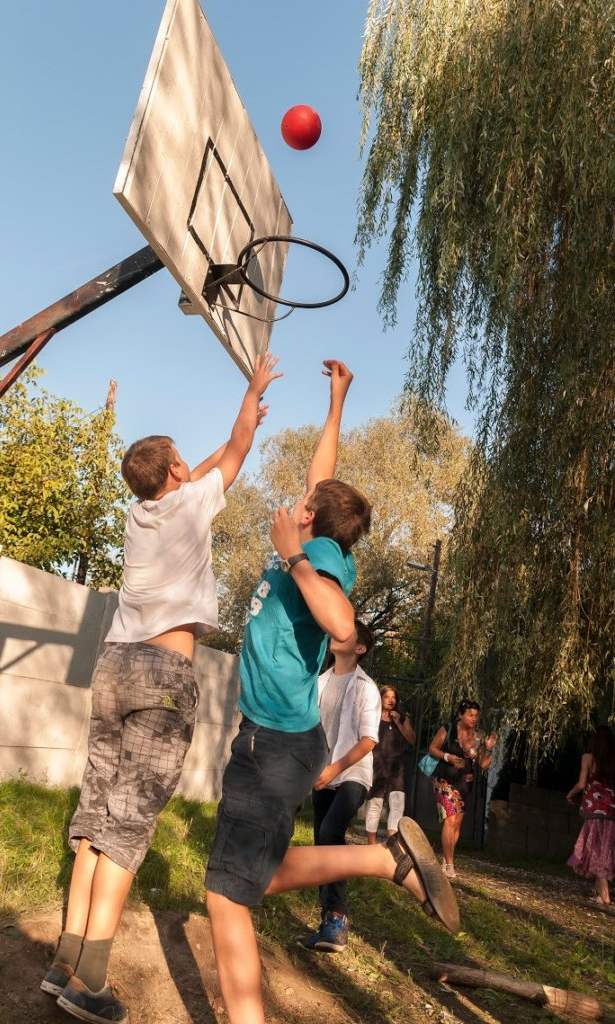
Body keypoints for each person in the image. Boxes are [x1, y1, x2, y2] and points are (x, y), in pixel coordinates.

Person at [204, 360, 460, 1024]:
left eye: (305, 504)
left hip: (273, 745)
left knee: (227, 894)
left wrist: (292, 554)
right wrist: (337, 402)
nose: (298, 501)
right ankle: (382, 861)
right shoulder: (324, 539)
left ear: (311, 518)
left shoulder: (315, 556)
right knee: (247, 878)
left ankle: (379, 863)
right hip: (276, 741)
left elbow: (344, 626)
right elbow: (323, 476)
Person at [41, 353, 283, 1024]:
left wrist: (191, 459)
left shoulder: (139, 514)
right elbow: (235, 448)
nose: (187, 465)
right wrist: (253, 392)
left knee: (95, 815)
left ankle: (64, 960)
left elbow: (203, 467)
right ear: (176, 471)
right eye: (181, 459)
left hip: (113, 667)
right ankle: (90, 981)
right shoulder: (193, 503)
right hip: (162, 676)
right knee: (128, 823)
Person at [300, 618, 381, 953]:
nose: (338, 633)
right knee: (322, 843)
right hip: (323, 773)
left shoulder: (366, 687)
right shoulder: (319, 681)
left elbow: (368, 740)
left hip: (352, 774)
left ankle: (337, 916)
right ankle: (327, 922)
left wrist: (335, 768)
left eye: (347, 633)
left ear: (359, 648)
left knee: (331, 832)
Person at [427, 699, 496, 878]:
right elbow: (432, 748)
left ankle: (445, 860)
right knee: (450, 820)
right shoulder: (448, 729)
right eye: (470, 715)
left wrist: (489, 749)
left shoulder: (479, 736)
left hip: (465, 783)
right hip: (444, 779)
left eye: (476, 716)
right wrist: (447, 757)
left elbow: (483, 765)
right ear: (460, 715)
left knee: (456, 823)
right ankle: (450, 865)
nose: (474, 718)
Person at [566, 725, 615, 907]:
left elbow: (581, 784)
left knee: (594, 849)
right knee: (604, 848)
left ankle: (605, 896)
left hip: (593, 809)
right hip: (611, 811)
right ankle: (598, 894)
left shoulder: (587, 758)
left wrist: (570, 794)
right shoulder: (613, 760)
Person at [365, 686, 416, 844]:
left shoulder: (402, 718)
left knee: (397, 805)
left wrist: (398, 722)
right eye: (387, 697)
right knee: (374, 805)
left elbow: (412, 739)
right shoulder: (373, 716)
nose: (390, 700)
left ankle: (392, 843)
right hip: (376, 767)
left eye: (393, 697)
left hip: (396, 769)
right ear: (380, 698)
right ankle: (371, 846)